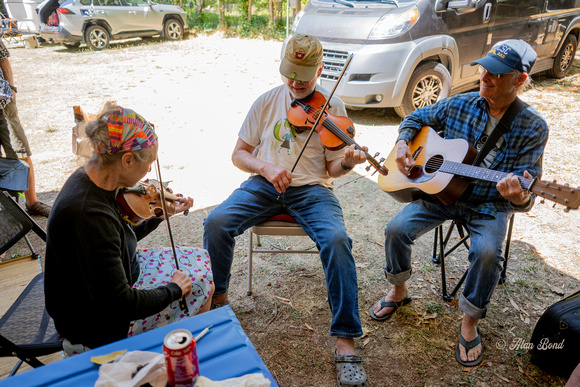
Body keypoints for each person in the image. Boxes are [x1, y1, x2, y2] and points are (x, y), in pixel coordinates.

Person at [370, 39, 549, 367]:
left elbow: (528, 196)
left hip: (488, 205)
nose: (485, 76)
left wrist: (519, 194)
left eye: (496, 73)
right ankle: (398, 290)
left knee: (486, 253)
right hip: (441, 196)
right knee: (395, 229)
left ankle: (469, 322)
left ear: (520, 80)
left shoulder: (533, 127)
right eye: (484, 68)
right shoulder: (460, 104)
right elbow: (416, 118)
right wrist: (401, 145)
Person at [203, 34, 368, 386]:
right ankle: (218, 301)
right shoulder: (266, 101)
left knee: (338, 240)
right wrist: (266, 168)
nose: (295, 83)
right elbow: (239, 153)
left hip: (311, 190)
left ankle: (345, 340)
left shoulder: (333, 106)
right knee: (216, 222)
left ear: (320, 70)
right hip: (265, 185)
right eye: (290, 74)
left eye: (304, 77)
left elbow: (332, 169)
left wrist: (349, 163)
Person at [45, 105, 214, 356]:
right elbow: (121, 304)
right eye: (149, 165)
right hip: (99, 330)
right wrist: (174, 290)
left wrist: (159, 215)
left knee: (200, 259)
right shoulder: (89, 216)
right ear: (127, 160)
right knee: (201, 283)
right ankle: (183, 356)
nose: (149, 174)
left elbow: (118, 239)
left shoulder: (96, 179)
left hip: (115, 283)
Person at [0, 39, 51, 217]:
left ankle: (32, 203)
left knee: (21, 153)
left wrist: (11, 86)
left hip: (3, 103)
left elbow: (3, 57)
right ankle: (6, 210)